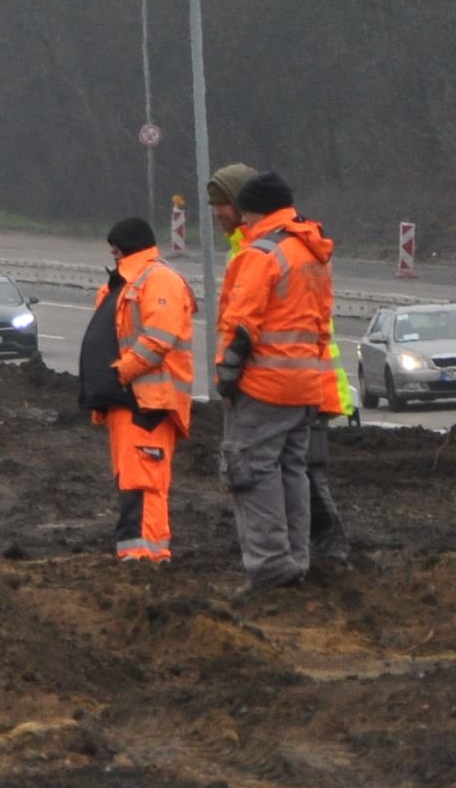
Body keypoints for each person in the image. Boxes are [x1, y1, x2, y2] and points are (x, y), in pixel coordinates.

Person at [214, 168, 347, 588]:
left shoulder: (261, 254)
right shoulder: (311, 252)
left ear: (256, 211)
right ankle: (296, 560)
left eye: (247, 213)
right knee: (293, 472)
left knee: (252, 472)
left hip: (263, 386)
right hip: (305, 385)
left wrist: (227, 375)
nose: (244, 222)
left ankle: (271, 567)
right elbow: (321, 325)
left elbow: (241, 324)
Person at [80, 215, 194, 560]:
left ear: (126, 247)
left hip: (147, 402)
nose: (112, 255)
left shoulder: (158, 280)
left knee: (142, 481)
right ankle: (149, 554)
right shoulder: (126, 283)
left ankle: (142, 556)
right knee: (135, 479)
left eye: (116, 250)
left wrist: (121, 373)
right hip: (128, 401)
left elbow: (158, 338)